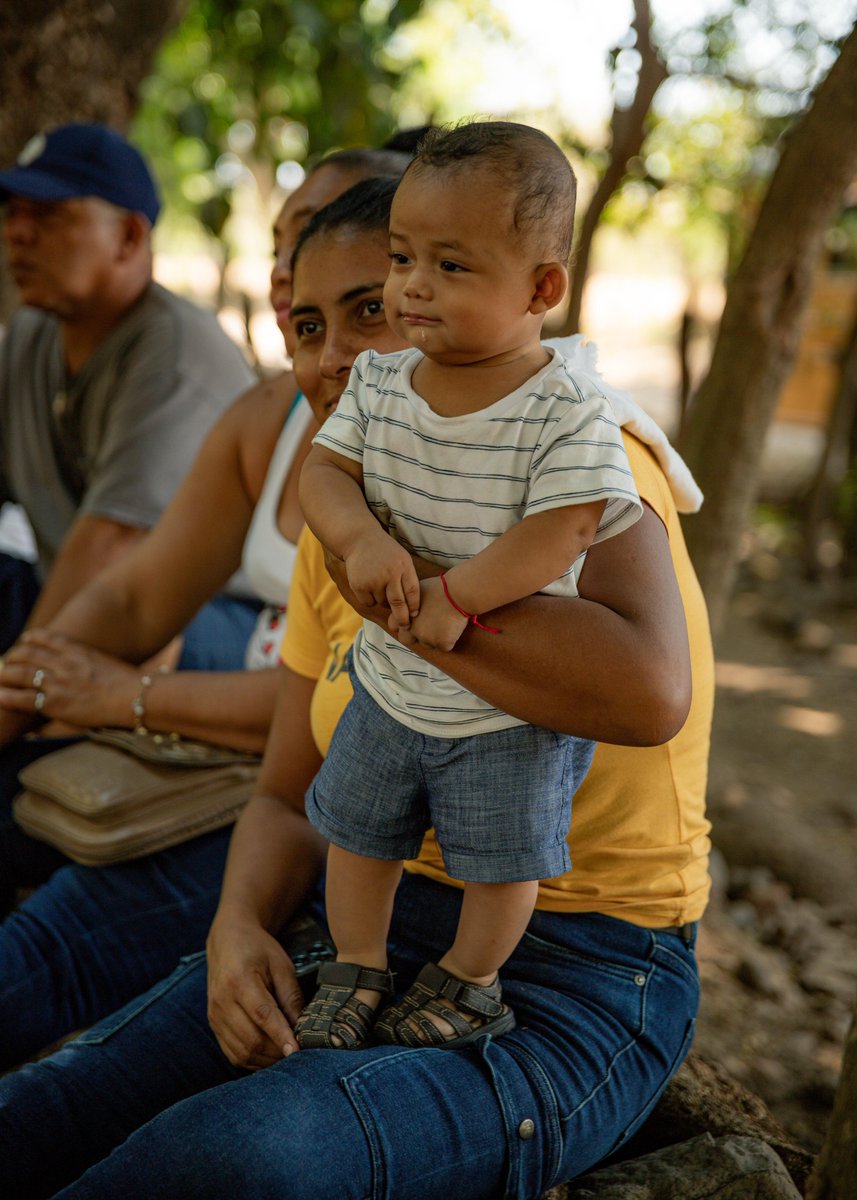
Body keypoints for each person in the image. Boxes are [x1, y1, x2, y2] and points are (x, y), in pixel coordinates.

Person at [0, 169, 713, 1200]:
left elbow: (646, 692)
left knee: (238, 1160)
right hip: (362, 931)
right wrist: (237, 926)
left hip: (578, 967)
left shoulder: (576, 448)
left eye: (369, 311)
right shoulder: (350, 497)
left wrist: (414, 596)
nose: (335, 357)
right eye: (307, 326)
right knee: (47, 1110)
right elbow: (288, 793)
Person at [0, 150, 409, 1066]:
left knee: (41, 968)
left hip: (305, 807)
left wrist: (125, 697)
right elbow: (135, 595)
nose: (290, 266)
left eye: (332, 238)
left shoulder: (451, 473)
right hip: (250, 770)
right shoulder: (273, 415)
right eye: (287, 243)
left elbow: (340, 710)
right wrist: (24, 687)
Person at [296, 122, 643, 1051]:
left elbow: (565, 526)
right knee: (358, 834)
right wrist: (360, 538)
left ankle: (472, 978)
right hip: (390, 683)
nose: (411, 285)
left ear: (541, 289)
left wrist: (459, 598)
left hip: (506, 712)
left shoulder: (564, 409)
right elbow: (322, 473)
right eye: (402, 257)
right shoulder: (380, 382)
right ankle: (356, 964)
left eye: (449, 266)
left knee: (502, 859)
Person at [0, 122, 259, 662]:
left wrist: (17, 691)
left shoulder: (177, 350)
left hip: (219, 621)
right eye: (13, 213)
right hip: (81, 596)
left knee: (138, 625)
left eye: (48, 215)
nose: (17, 233)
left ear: (130, 237)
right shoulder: (30, 335)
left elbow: (114, 544)